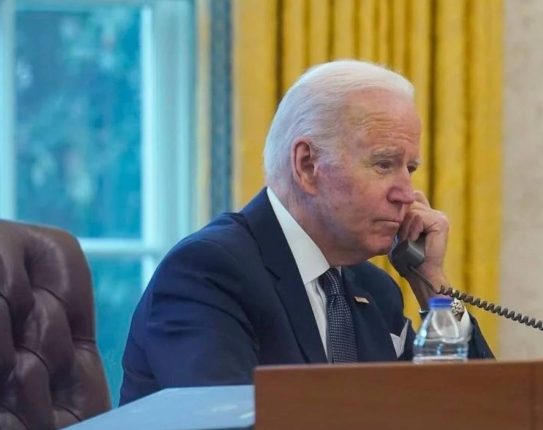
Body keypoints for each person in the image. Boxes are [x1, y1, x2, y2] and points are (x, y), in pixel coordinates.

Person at [119, 60, 494, 405]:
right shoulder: (209, 272)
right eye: (383, 165)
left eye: (409, 169)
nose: (406, 194)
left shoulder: (376, 291)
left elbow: (478, 408)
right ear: (307, 165)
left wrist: (432, 283)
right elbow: (222, 420)